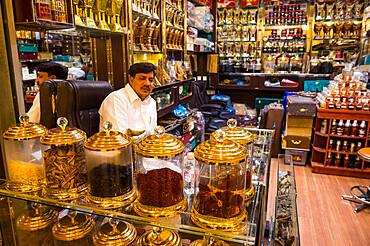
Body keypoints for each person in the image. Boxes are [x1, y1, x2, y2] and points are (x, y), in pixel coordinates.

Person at [98, 62, 157, 134]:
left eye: (150, 80)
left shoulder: (151, 102)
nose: (147, 83)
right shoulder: (116, 99)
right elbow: (118, 138)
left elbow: (153, 134)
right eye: (142, 79)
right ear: (131, 81)